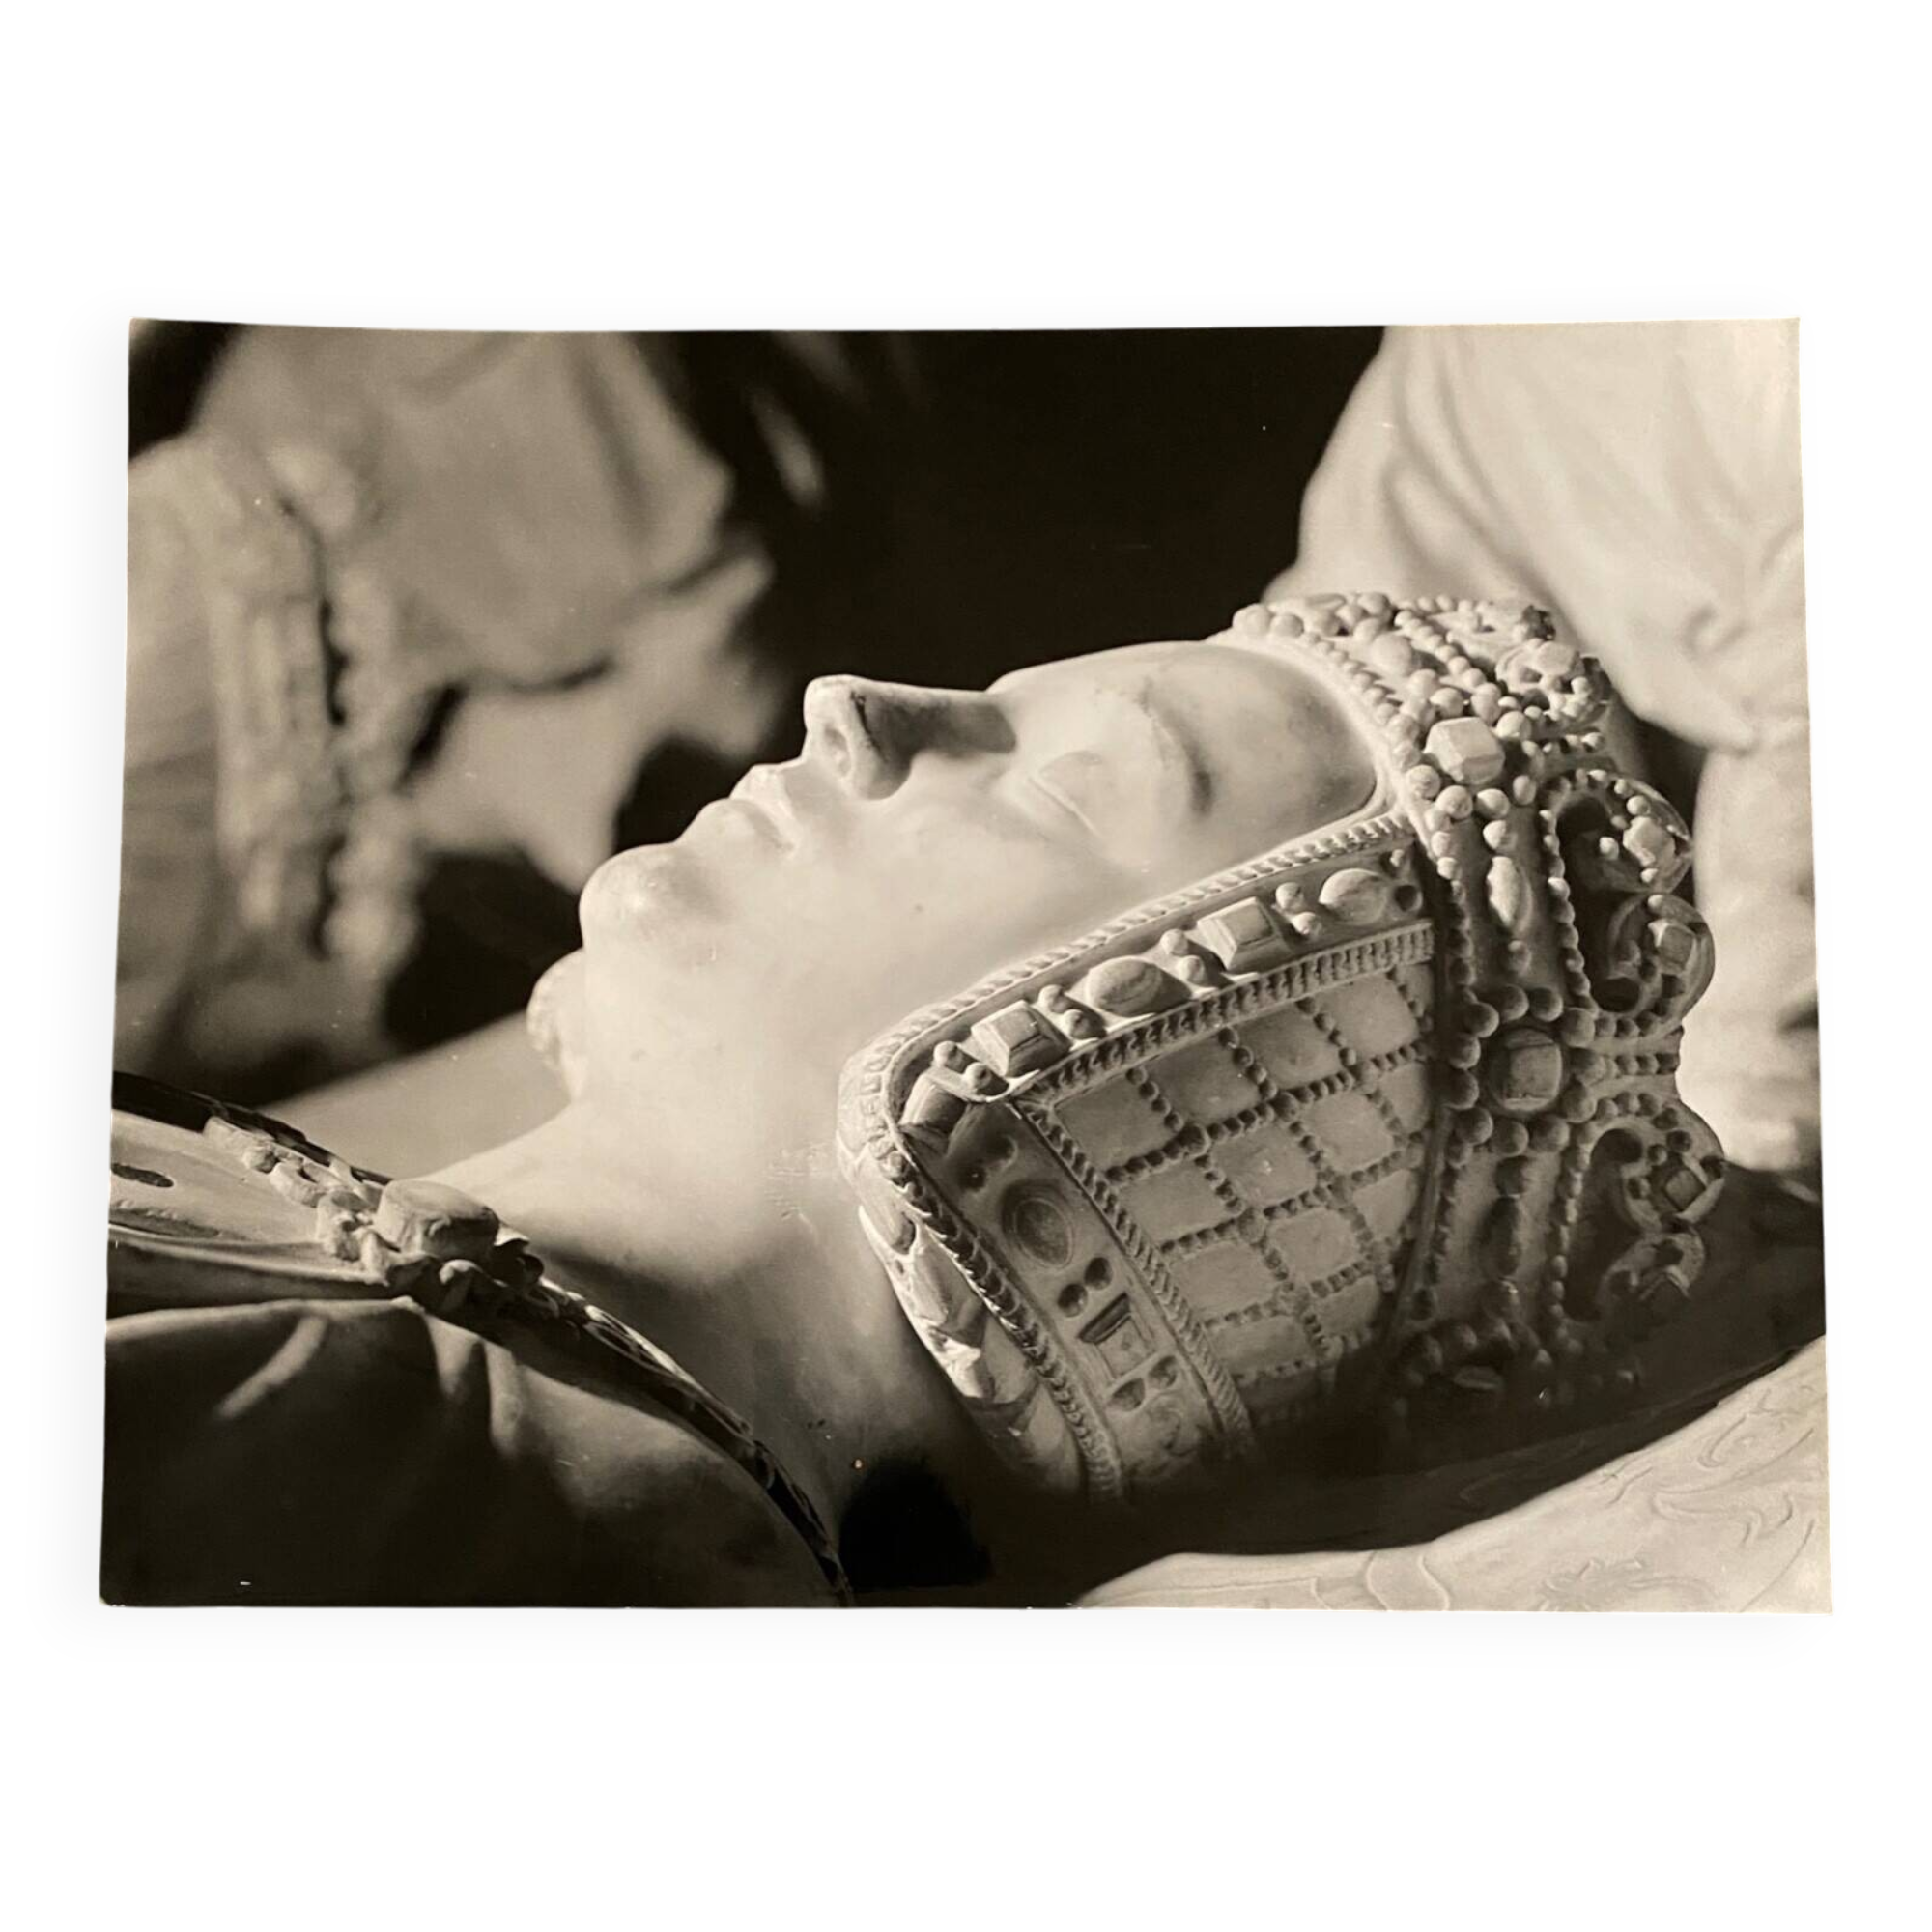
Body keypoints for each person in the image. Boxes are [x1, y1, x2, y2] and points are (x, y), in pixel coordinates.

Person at [103, 593, 1825, 1607]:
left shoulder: (488, 1478)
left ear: (1154, 1112)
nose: (854, 710)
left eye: (1068, 785)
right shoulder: (444, 1342)